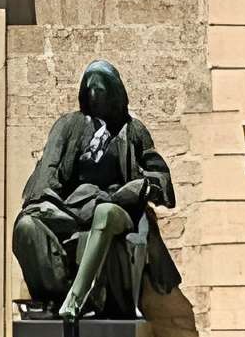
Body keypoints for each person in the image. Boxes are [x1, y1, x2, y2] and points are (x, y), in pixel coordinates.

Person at [13, 61, 180, 321]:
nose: (94, 96)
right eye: (89, 90)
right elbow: (48, 171)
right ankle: (53, 296)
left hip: (117, 210)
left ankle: (75, 300)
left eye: (100, 90)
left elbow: (159, 172)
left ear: (114, 92)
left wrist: (146, 185)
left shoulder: (133, 130)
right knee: (26, 226)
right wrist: (45, 205)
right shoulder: (70, 125)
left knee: (104, 212)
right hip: (73, 209)